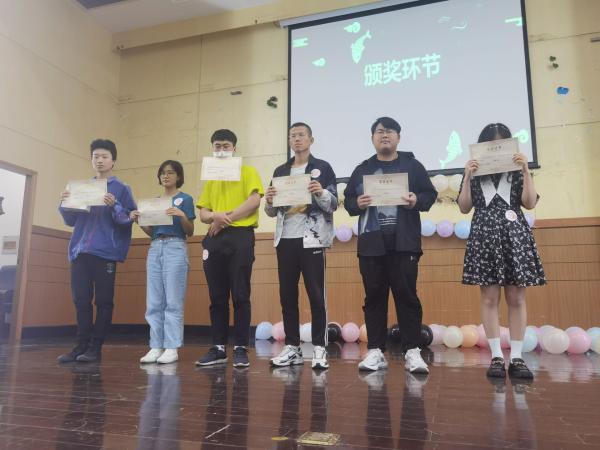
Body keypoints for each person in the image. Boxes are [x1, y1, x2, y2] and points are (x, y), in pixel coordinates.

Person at [344, 117, 437, 373]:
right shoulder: (362, 169)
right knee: (374, 297)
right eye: (379, 131)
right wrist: (357, 203)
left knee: (407, 296)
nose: (384, 135)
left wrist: (416, 199)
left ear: (398, 137)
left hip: (404, 243)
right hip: (371, 244)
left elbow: (430, 196)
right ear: (372, 138)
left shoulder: (412, 166)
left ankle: (412, 351)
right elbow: (349, 201)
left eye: (390, 131)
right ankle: (375, 351)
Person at [457, 123, 545, 379]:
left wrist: (526, 170)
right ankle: (496, 356)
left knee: (517, 297)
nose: (496, 148)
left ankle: (516, 357)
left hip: (513, 234)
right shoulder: (475, 172)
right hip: (484, 235)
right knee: (489, 297)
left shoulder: (518, 170)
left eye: (501, 143)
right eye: (491, 144)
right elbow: (464, 207)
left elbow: (529, 202)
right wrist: (467, 176)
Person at [265, 122, 338, 369]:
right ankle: (292, 347)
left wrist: (321, 192)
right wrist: (269, 200)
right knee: (287, 295)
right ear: (289, 141)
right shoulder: (280, 170)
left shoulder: (322, 168)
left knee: (316, 295)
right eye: (292, 136)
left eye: (301, 135)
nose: (297, 139)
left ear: (311, 140)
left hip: (312, 239)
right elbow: (271, 212)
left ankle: (319, 347)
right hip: (285, 239)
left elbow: (333, 204)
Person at [57, 139, 136, 363]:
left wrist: (115, 205)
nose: (100, 160)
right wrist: (64, 203)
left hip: (105, 253)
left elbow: (128, 219)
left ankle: (95, 348)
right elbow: (70, 220)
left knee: (103, 301)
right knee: (81, 300)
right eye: (96, 157)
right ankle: (80, 346)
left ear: (113, 161)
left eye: (104, 156)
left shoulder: (122, 188)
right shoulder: (82, 187)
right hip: (80, 251)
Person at [195, 129, 264, 367]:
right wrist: (215, 217)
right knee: (217, 296)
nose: (222, 150)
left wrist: (226, 218)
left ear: (234, 148)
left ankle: (241, 347)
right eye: (217, 146)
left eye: (226, 146)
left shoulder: (248, 171)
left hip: (240, 235)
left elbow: (254, 200)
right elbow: (203, 213)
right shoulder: (211, 178)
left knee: (241, 294)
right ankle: (218, 347)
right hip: (214, 237)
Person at [131, 160, 195, 365]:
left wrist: (182, 215)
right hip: (155, 247)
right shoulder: (155, 202)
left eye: (170, 173)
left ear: (178, 176)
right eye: (162, 173)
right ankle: (156, 345)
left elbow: (190, 231)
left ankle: (171, 347)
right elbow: (152, 232)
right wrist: (139, 221)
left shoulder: (185, 199)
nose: (166, 176)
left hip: (175, 246)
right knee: (154, 301)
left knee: (173, 300)